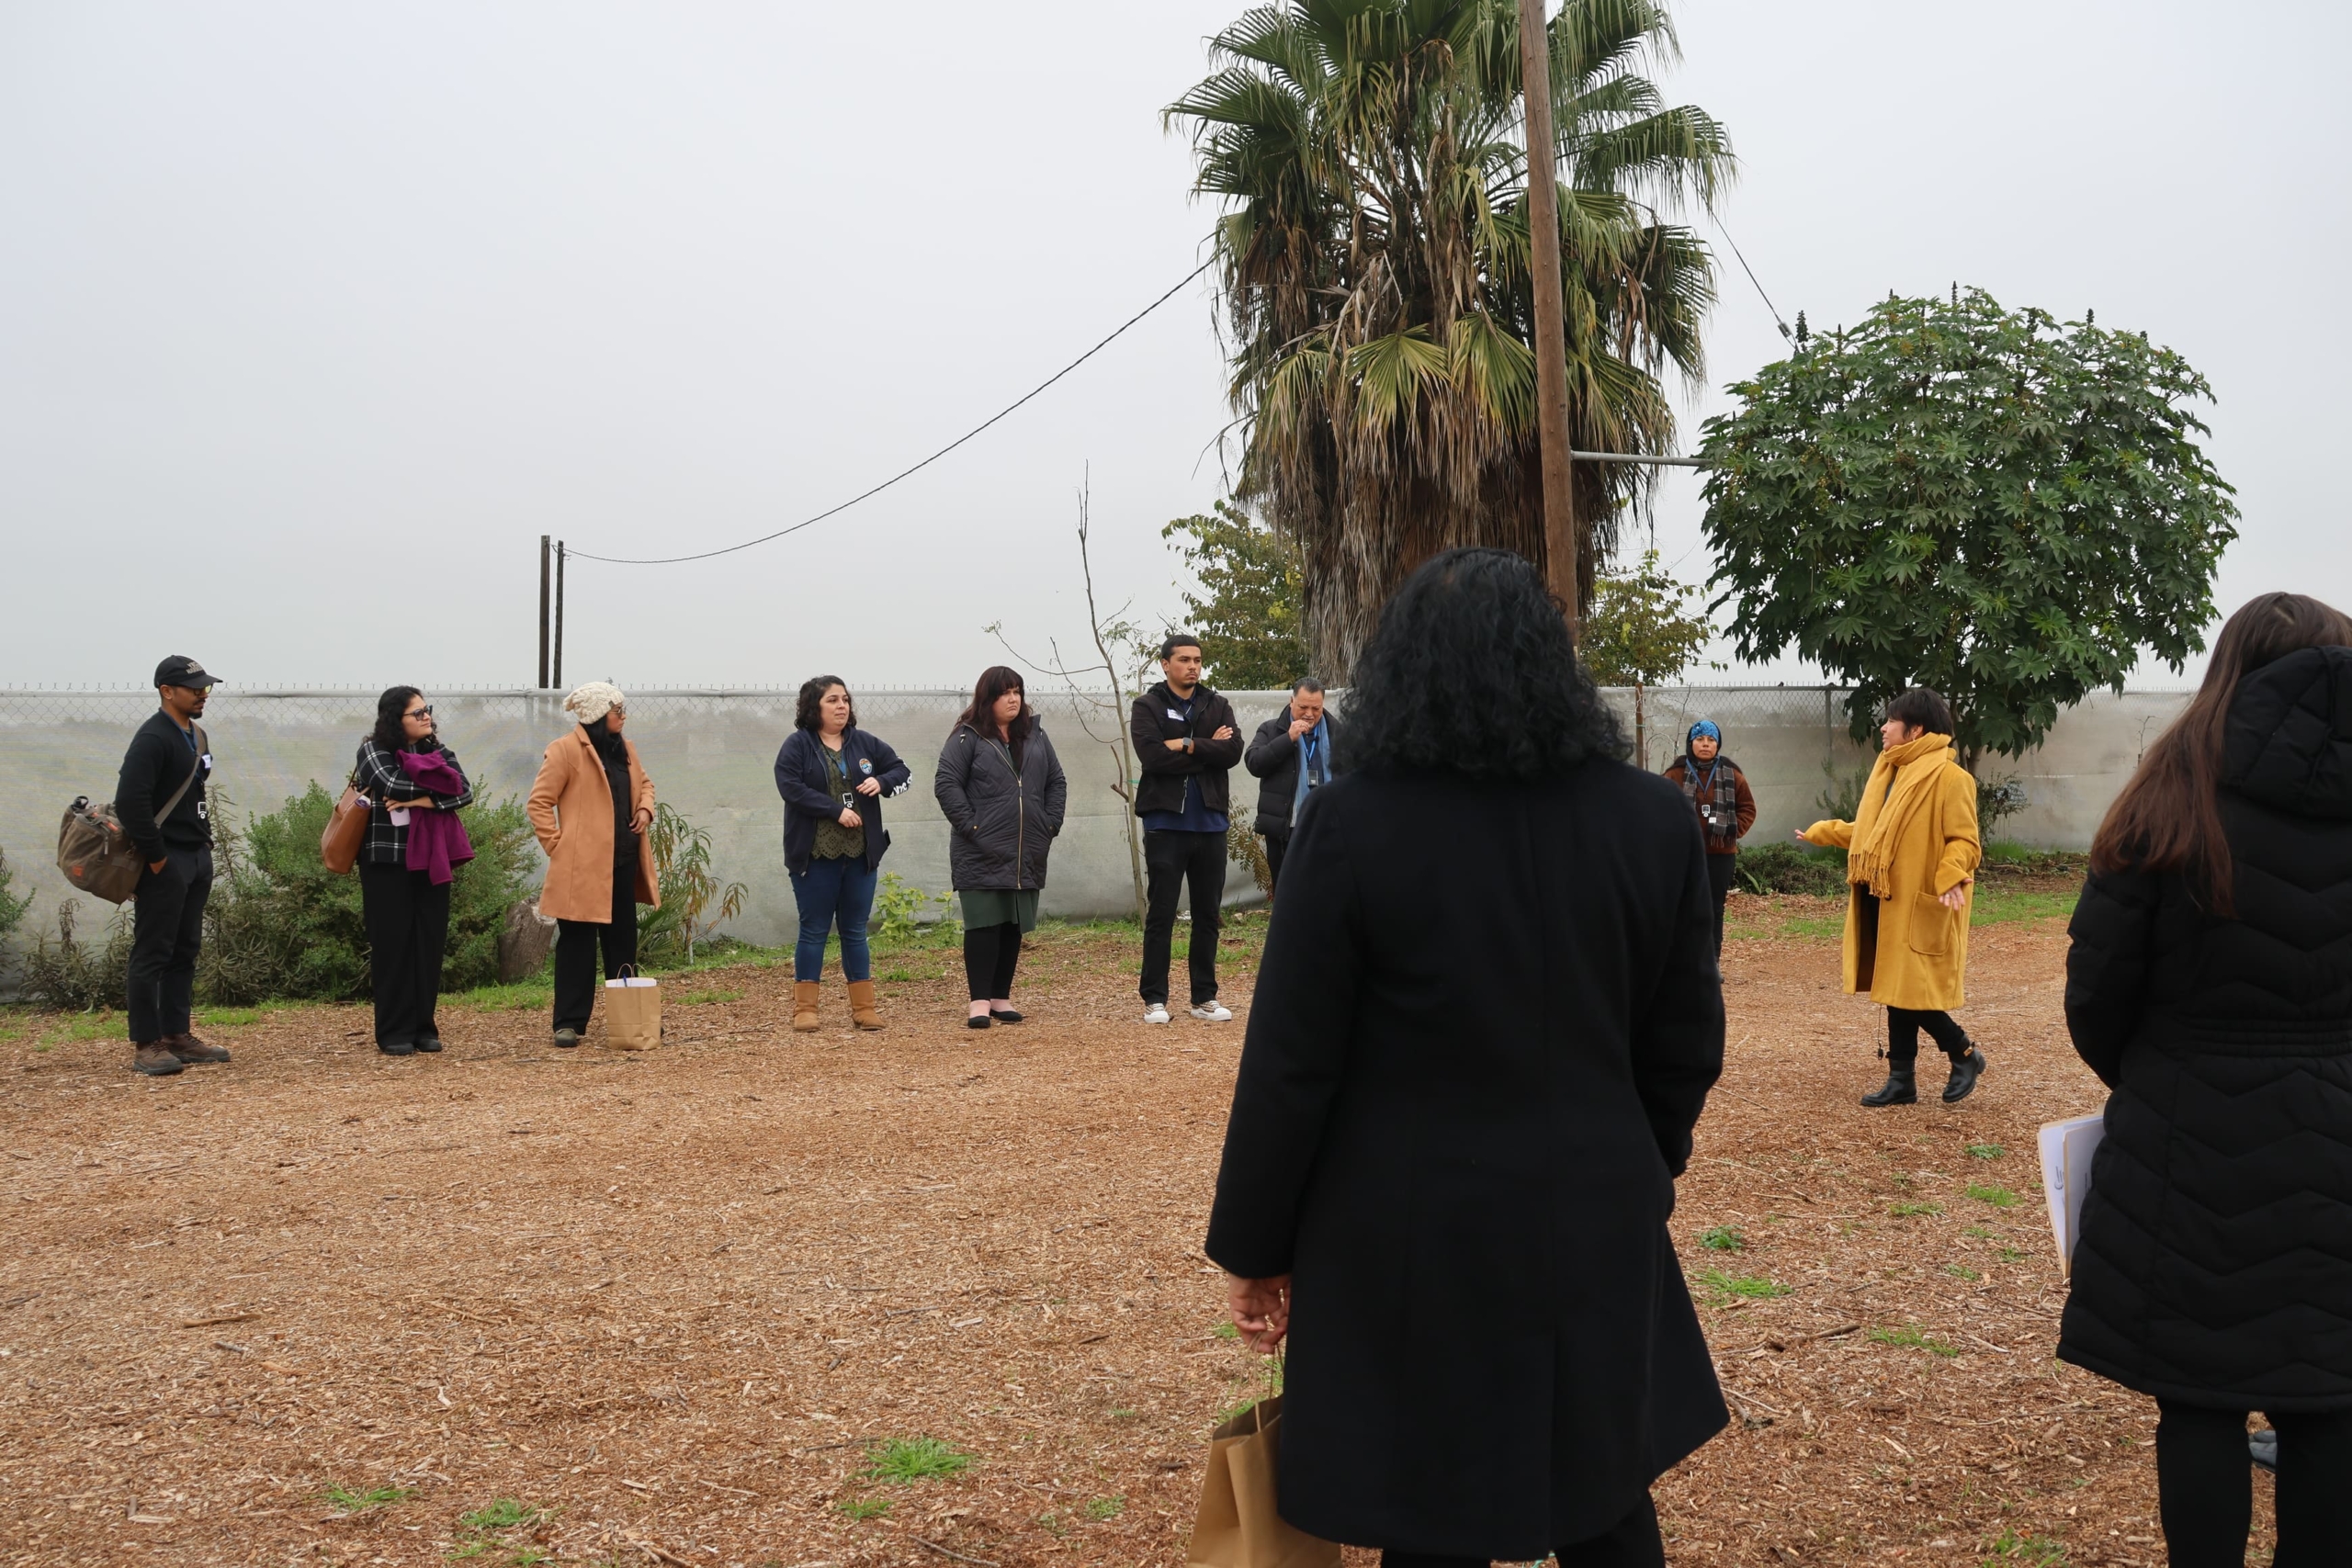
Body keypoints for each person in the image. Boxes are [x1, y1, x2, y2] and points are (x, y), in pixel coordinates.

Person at [1207, 548, 1726, 1568]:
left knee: (1430, 1503)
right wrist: (1638, 1154)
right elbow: (1685, 1035)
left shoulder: (1353, 825)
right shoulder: (1648, 816)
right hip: (1592, 1191)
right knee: (1602, 1481)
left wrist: (1258, 1245)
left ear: (1399, 669)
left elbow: (1291, 1062)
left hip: (1408, 1212)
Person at [2056, 592, 2352, 1567]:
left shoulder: (2164, 797)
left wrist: (2165, 1076)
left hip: (2186, 1151)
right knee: (2333, 1404)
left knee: (2197, 1403)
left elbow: (2097, 997)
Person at [1796, 689, 1987, 1108]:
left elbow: (1965, 842)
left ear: (1915, 729)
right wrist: (1822, 832)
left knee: (1909, 990)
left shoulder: (1951, 778)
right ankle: (1902, 1080)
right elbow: (1871, 831)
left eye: (1891, 720)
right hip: (1881, 895)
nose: (1883, 727)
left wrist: (1952, 876)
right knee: (1894, 987)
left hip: (1922, 900)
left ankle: (1964, 1053)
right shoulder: (1888, 772)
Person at [774, 675, 910, 1033]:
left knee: (854, 930)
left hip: (861, 855)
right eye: (832, 700)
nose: (842, 706)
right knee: (814, 929)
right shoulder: (797, 745)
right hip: (815, 856)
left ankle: (864, 1009)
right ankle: (806, 1010)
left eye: (845, 699)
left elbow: (902, 770)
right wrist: (834, 810)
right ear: (813, 707)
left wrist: (883, 782)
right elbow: (789, 787)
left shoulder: (864, 743)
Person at [933, 667, 1067, 1029]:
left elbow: (1056, 781)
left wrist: (1049, 824)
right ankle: (978, 1001)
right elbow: (947, 784)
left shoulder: (1036, 736)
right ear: (987, 699)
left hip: (1027, 848)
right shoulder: (968, 736)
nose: (1013, 699)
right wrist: (972, 827)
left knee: (1012, 924)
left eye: (1017, 691)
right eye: (1004, 693)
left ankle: (999, 998)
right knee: (983, 924)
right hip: (980, 849)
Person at [527, 682, 659, 1048]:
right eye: (618, 710)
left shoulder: (626, 750)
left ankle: (630, 1019)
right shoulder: (565, 751)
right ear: (599, 714)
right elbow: (539, 803)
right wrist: (558, 846)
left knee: (623, 945)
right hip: (581, 872)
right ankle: (568, 1024)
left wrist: (645, 809)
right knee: (577, 945)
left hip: (622, 865)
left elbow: (645, 785)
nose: (624, 716)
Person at [118, 655, 230, 1077]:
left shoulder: (195, 734)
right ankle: (147, 1044)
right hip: (166, 859)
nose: (203, 693)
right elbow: (131, 802)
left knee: (185, 949)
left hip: (196, 854)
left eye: (206, 687)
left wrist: (201, 851)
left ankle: (177, 1034)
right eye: (194, 687)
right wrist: (158, 857)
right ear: (167, 691)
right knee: (153, 952)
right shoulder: (153, 737)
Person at [353, 687, 475, 1057]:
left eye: (427, 710)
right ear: (395, 719)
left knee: (428, 943)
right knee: (393, 945)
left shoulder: (438, 751)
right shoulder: (373, 750)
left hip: (430, 859)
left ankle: (424, 1027)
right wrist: (437, 793)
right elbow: (389, 783)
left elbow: (465, 792)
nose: (426, 717)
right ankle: (394, 1031)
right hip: (386, 861)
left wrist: (421, 799)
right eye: (417, 713)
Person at [1129, 634, 1243, 1024]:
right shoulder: (1147, 705)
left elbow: (1232, 753)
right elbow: (1153, 757)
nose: (1193, 666)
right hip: (1165, 823)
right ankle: (1155, 999)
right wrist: (1205, 748)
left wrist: (1187, 744)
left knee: (1208, 914)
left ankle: (1203, 998)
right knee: (1161, 913)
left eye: (1197, 660)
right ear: (1165, 664)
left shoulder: (1218, 704)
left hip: (1211, 824)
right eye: (1184, 660)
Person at [1660, 719, 1756, 951]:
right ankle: (1685, 959)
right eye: (1700, 739)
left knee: (1714, 907)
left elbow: (1748, 809)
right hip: (1684, 854)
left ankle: (1711, 961)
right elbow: (1658, 808)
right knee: (1684, 906)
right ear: (1690, 743)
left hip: (1720, 854)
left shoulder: (1733, 775)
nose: (1705, 744)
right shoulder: (1674, 774)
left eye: (1711, 740)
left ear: (1718, 744)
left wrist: (1732, 830)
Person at [1243, 678, 1341, 892]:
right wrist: (1287, 739)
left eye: (1316, 708)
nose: (1309, 714)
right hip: (1285, 829)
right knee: (1287, 894)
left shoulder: (1338, 733)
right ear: (1291, 702)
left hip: (1329, 827)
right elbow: (1254, 763)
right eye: (1303, 707)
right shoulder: (1271, 730)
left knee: (1328, 893)